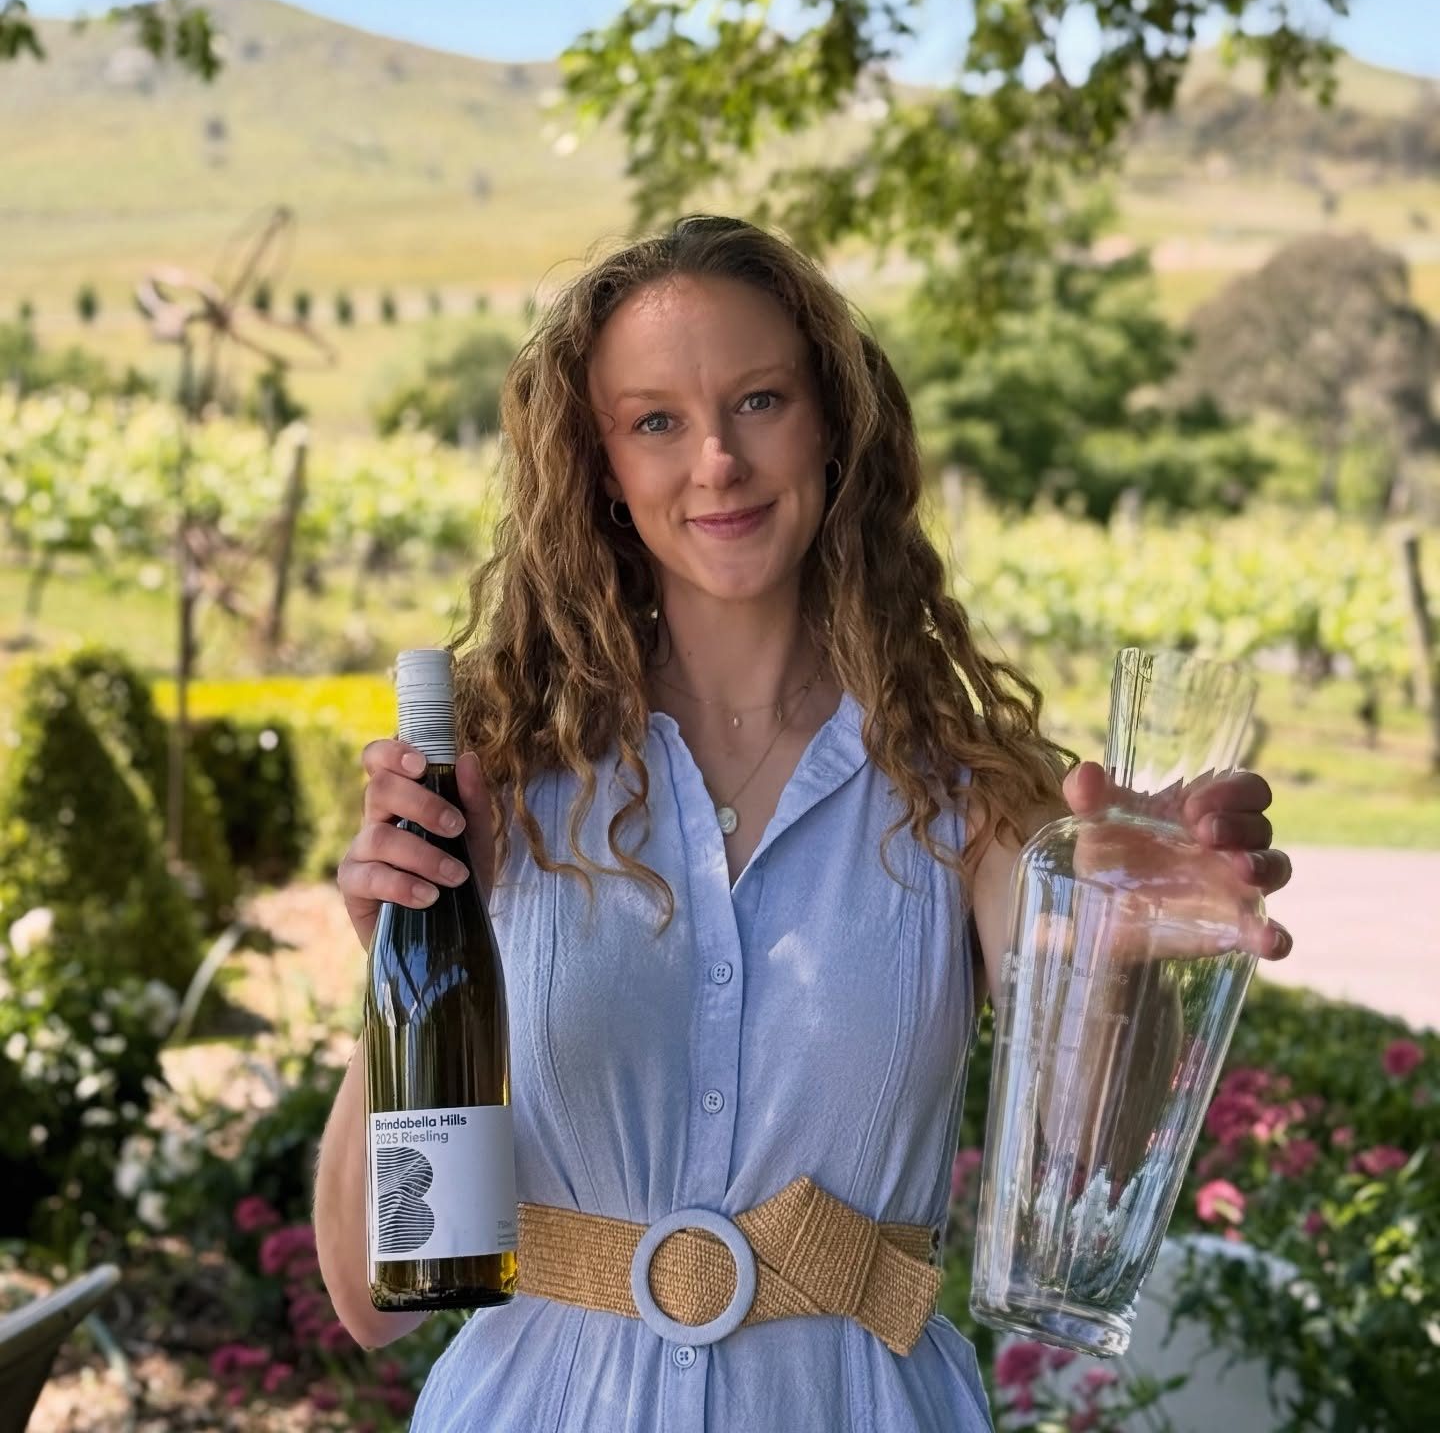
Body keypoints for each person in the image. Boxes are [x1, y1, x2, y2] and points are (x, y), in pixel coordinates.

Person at [314, 214, 1293, 1431]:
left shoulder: (968, 792)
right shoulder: (504, 788)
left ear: (833, 422)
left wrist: (1124, 940)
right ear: (602, 467)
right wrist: (402, 961)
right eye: (656, 420)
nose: (716, 459)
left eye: (761, 400)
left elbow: (1081, 1145)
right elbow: (373, 1296)